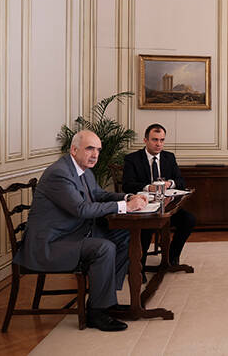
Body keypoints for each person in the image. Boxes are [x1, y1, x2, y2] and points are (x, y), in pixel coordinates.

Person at [13, 130, 147, 332]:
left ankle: (106, 299)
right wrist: (125, 207)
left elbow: (100, 194)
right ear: (74, 150)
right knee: (104, 247)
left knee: (125, 234)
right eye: (90, 149)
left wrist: (128, 197)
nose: (95, 155)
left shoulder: (83, 169)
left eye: (98, 150)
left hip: (73, 233)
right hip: (49, 245)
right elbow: (81, 209)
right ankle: (96, 313)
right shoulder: (59, 173)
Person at [122, 124, 196, 271]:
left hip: (166, 207)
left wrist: (170, 183)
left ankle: (171, 258)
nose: (158, 144)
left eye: (162, 140)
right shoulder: (132, 159)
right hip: (145, 208)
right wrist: (148, 187)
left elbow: (181, 181)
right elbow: (127, 185)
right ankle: (139, 268)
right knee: (146, 228)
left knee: (189, 220)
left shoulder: (169, 157)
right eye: (155, 140)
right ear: (145, 140)